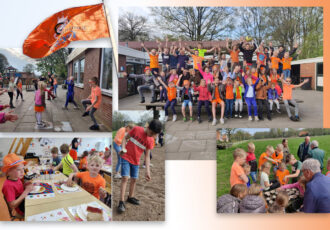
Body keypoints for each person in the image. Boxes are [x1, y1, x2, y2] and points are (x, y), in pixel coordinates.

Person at [117, 119, 162, 213]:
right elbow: (125, 138)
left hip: (136, 161)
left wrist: (148, 171)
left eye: (155, 134)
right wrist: (123, 148)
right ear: (148, 127)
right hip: (126, 157)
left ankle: (130, 197)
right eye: (152, 132)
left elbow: (147, 156)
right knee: (125, 178)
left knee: (134, 179)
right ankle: (121, 202)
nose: (152, 135)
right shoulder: (137, 129)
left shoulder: (150, 140)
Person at [1, 153, 34, 218]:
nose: (22, 172)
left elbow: (19, 189)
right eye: (19, 169)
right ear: (9, 171)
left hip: (24, 200)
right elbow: (12, 205)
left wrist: (26, 185)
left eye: (23, 169)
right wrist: (26, 192)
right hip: (20, 209)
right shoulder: (8, 186)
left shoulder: (16, 178)